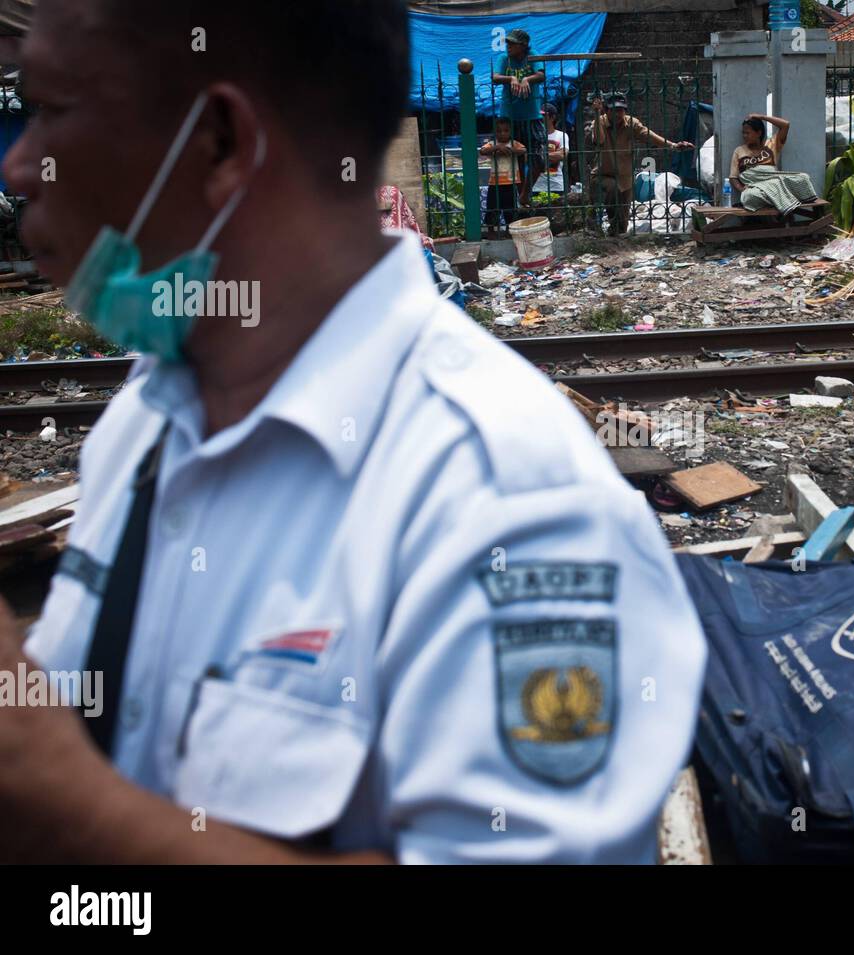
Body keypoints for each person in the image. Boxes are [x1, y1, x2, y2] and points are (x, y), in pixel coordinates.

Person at [0, 0, 706, 864]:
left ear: (218, 140)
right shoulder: (146, 415)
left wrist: (59, 796)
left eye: (51, 109)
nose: (20, 166)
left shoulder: (509, 509)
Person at [589, 92, 693, 237]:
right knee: (612, 191)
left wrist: (673, 145)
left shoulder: (631, 123)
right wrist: (595, 114)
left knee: (623, 220)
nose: (619, 114)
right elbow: (599, 141)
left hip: (625, 178)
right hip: (603, 175)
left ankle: (617, 241)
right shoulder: (599, 122)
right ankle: (604, 229)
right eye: (614, 110)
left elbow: (649, 135)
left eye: (621, 110)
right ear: (606, 111)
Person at [491, 28, 546, 205]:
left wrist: (526, 79)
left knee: (539, 159)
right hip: (510, 117)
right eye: (508, 43)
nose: (508, 46)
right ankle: (521, 198)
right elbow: (495, 77)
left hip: (532, 115)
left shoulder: (532, 55)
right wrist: (511, 79)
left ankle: (525, 193)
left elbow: (541, 74)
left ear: (523, 46)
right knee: (517, 159)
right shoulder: (504, 59)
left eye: (512, 43)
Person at [728, 113, 790, 201]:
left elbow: (785, 125)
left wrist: (761, 117)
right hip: (754, 192)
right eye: (743, 133)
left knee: (801, 178)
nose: (744, 136)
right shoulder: (739, 151)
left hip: (772, 188)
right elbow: (733, 177)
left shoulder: (771, 145)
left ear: (758, 133)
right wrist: (742, 190)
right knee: (753, 195)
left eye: (748, 133)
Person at [479, 117, 525, 236]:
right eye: (499, 131)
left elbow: (523, 150)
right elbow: (482, 151)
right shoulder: (492, 144)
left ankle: (510, 230)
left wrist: (509, 150)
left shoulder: (514, 143)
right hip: (495, 183)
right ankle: (491, 231)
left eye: (505, 130)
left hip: (510, 182)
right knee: (493, 207)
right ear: (495, 132)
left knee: (510, 208)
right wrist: (498, 147)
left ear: (510, 132)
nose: (502, 133)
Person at [533, 102, 568, 198]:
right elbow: (528, 157)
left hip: (556, 185)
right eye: (540, 115)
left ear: (553, 117)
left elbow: (562, 155)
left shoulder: (561, 135)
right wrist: (552, 155)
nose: (541, 118)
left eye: (544, 115)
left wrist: (540, 155)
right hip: (536, 186)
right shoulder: (534, 136)